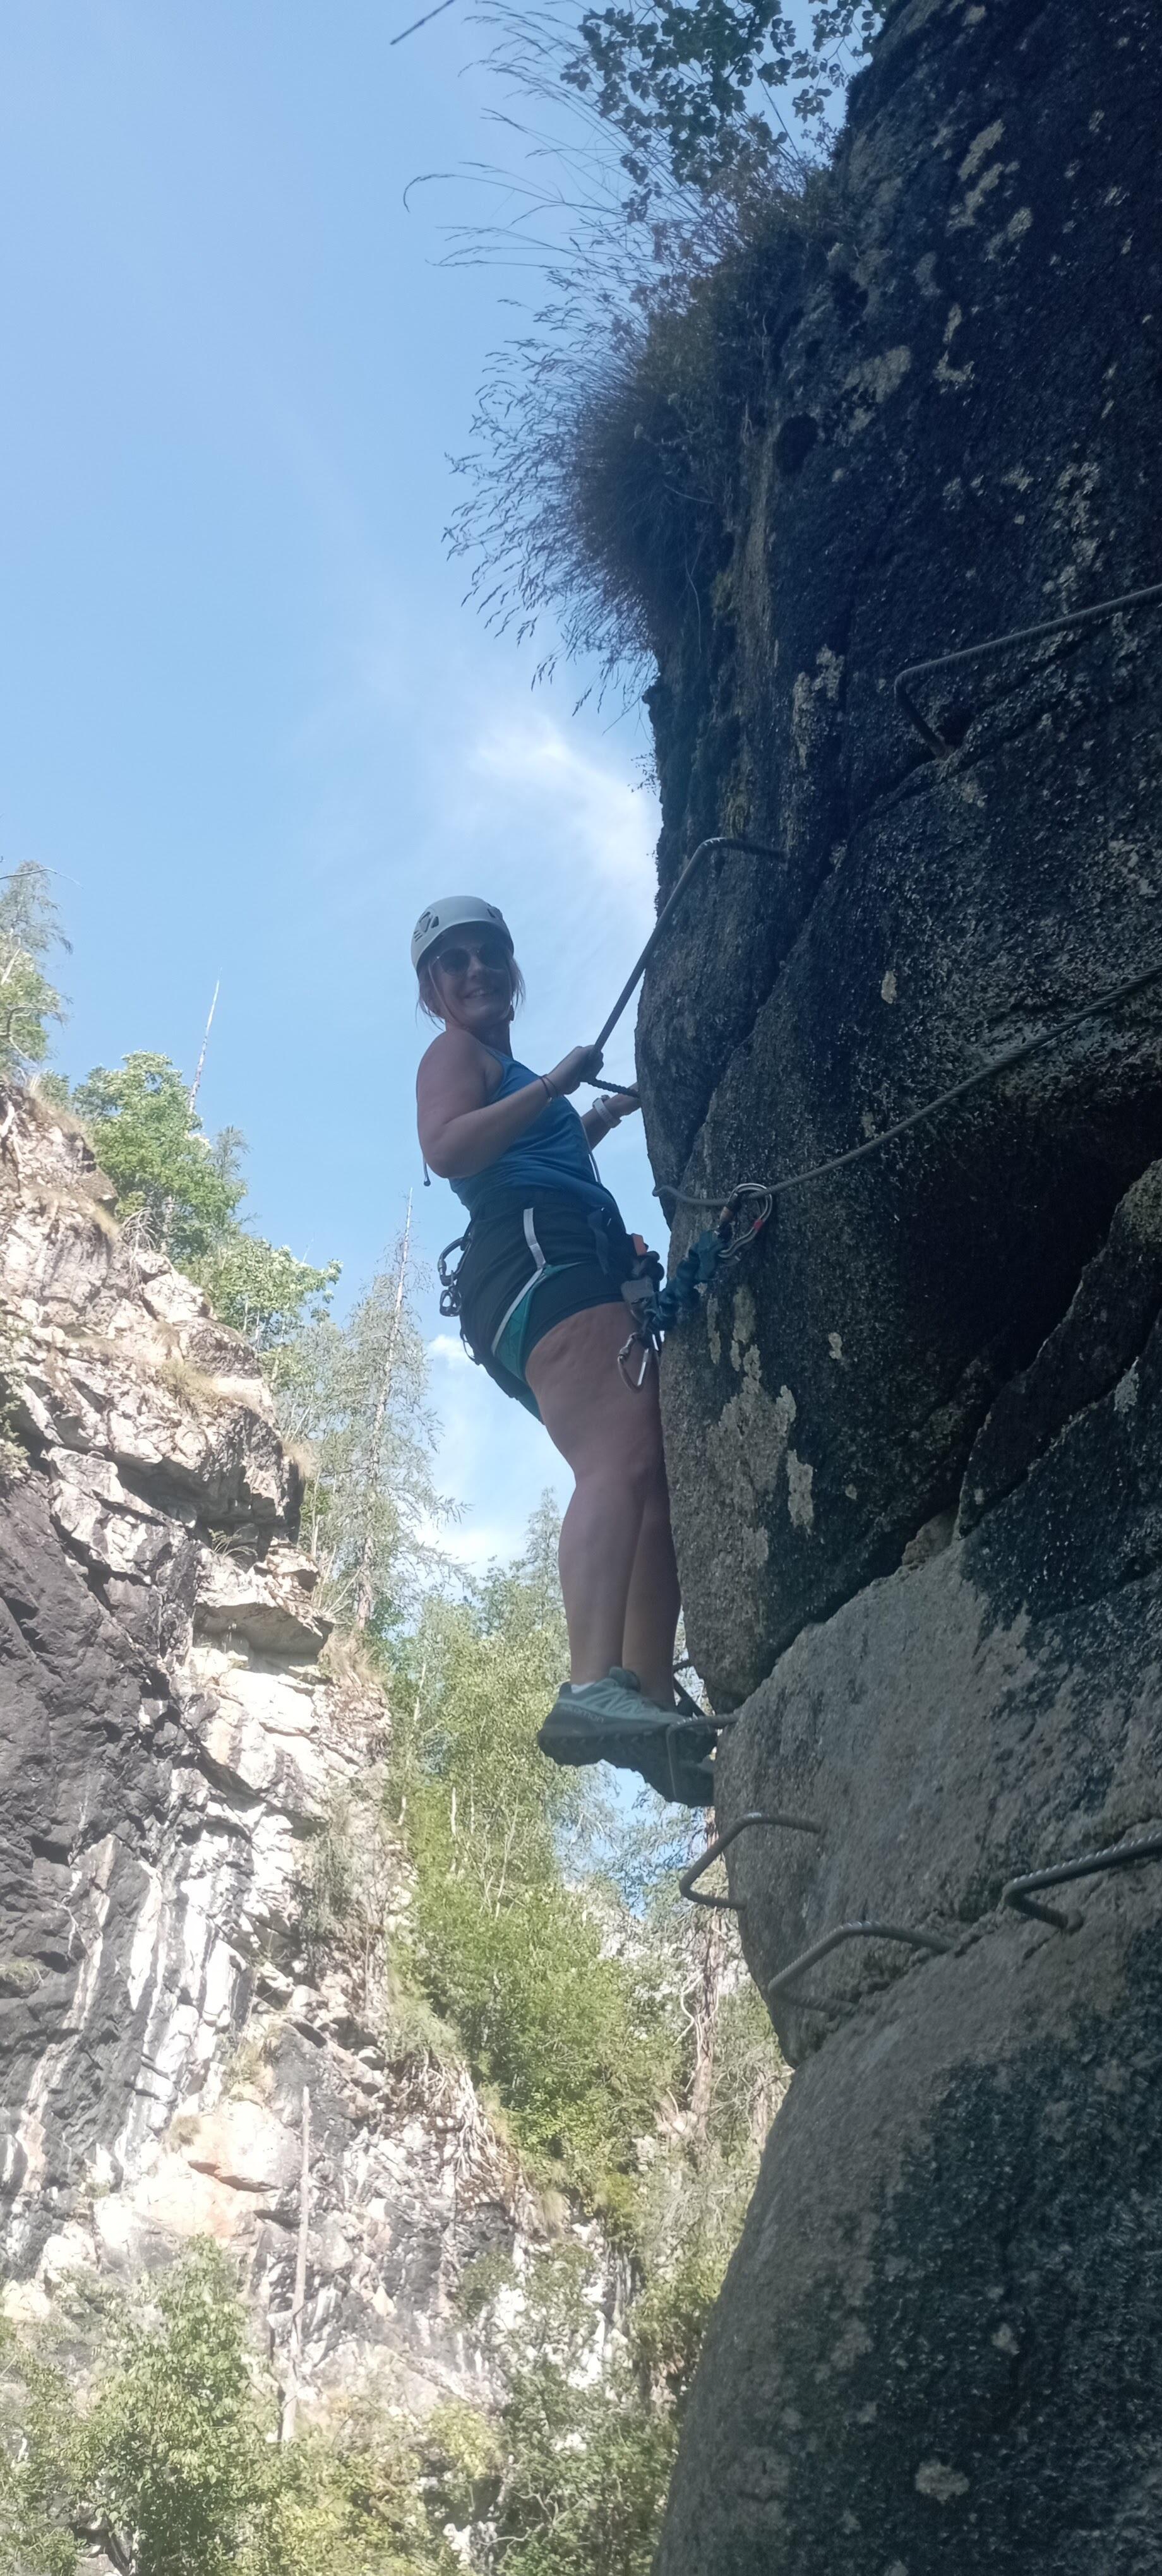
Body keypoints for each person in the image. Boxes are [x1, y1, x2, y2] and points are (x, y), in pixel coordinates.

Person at [413, 895, 715, 1806]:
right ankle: (590, 1687)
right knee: (617, 1460)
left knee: (649, 1470)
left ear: (511, 971)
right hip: (538, 1254)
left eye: (489, 955)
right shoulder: (457, 1055)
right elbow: (447, 1148)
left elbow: (537, 1152)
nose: (476, 970)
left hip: (554, 1255)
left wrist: (598, 1117)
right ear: (433, 990)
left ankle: (646, 1701)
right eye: (455, 961)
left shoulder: (508, 1075)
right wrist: (552, 1088)